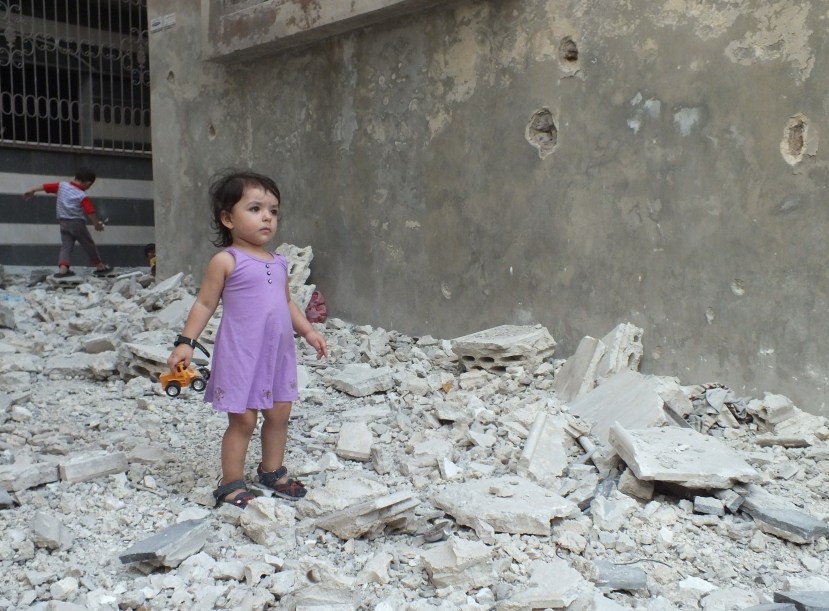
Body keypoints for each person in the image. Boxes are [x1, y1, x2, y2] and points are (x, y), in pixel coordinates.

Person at [167, 169, 328, 509]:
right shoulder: (226, 261)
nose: (267, 217)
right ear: (228, 218)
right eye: (255, 209)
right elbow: (205, 303)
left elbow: (286, 302)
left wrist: (309, 331)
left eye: (273, 211)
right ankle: (231, 483)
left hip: (278, 353)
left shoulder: (279, 261)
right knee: (243, 419)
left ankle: (271, 470)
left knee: (280, 411)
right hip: (241, 353)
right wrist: (186, 341)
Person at [22, 167, 114, 278]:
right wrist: (96, 224)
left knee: (66, 246)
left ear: (75, 177)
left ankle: (63, 270)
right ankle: (100, 266)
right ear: (88, 183)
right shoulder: (82, 195)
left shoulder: (61, 186)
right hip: (77, 224)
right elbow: (90, 211)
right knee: (88, 244)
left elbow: (45, 186)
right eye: (90, 186)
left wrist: (32, 189)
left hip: (63, 223)